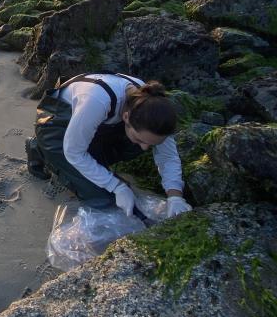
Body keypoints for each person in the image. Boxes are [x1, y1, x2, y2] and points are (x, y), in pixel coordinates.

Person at [26, 72, 192, 218]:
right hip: (54, 125)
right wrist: (116, 186)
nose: (144, 148)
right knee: (102, 199)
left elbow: (168, 155)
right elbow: (74, 152)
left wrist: (175, 196)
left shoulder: (151, 106)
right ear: (126, 117)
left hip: (92, 127)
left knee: (131, 147)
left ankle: (67, 157)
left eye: (148, 143)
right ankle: (41, 148)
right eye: (141, 140)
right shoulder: (96, 101)